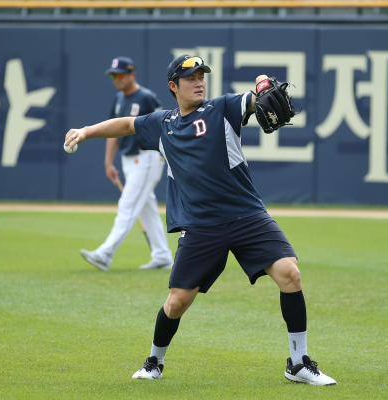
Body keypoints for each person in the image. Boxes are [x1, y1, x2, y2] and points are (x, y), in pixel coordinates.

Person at [65, 55, 336, 385]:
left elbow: (252, 100)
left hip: (248, 215)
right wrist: (86, 131)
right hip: (201, 226)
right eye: (190, 77)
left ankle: (298, 362)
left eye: (201, 75)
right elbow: (125, 125)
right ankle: (154, 362)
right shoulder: (163, 125)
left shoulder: (221, 109)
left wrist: (262, 86)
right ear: (173, 86)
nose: (198, 81)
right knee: (177, 302)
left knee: (289, 274)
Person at [79, 56, 172, 271]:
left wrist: (162, 155)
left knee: (128, 206)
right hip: (129, 160)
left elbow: (163, 126)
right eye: (113, 75)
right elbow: (113, 132)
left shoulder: (146, 97)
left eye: (120, 74)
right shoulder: (119, 99)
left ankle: (105, 254)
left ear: (132, 74)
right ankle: (162, 256)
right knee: (145, 208)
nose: (116, 79)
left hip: (147, 158)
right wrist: (108, 162)